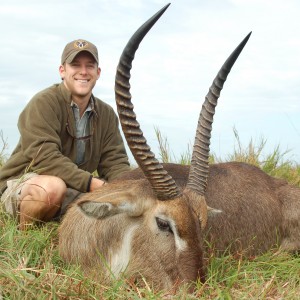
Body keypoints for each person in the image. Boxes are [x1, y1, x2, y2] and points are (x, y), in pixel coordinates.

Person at [0, 39, 130, 229]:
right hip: (23, 187)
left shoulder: (107, 114)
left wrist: (131, 187)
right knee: (52, 189)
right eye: (75, 65)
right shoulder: (44, 102)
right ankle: (25, 235)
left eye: (90, 66)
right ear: (62, 71)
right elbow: (45, 158)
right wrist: (94, 185)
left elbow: (116, 163)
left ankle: (55, 222)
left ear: (98, 72)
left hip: (71, 189)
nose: (83, 72)